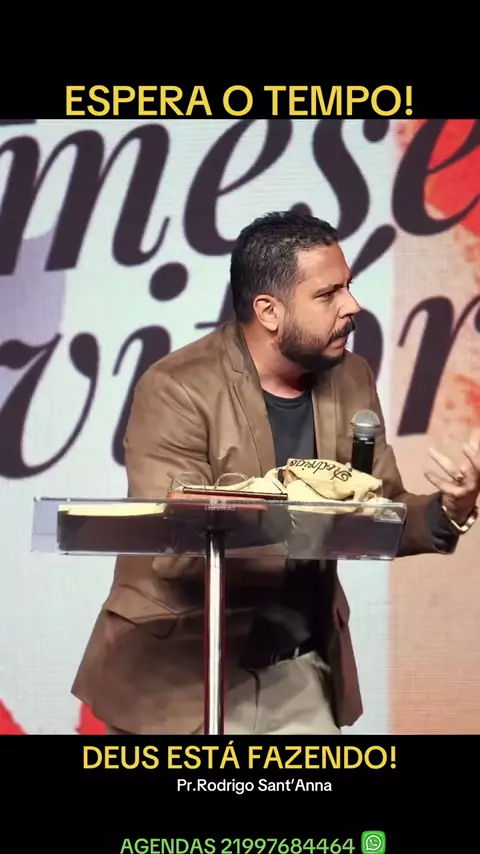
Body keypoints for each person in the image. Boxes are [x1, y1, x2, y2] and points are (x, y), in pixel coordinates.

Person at [71, 211, 480, 735]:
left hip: (295, 665)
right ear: (269, 311)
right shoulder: (177, 387)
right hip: (182, 673)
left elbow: (380, 513)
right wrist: (300, 503)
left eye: (349, 286)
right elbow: (175, 548)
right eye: (328, 294)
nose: (352, 306)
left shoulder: (350, 376)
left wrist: (450, 508)